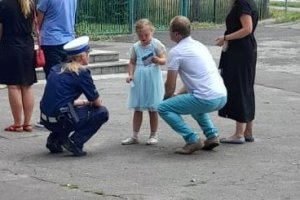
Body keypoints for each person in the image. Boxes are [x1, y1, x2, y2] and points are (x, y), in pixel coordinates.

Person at [158, 16, 227, 154]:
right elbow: (197, 81)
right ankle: (212, 136)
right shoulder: (199, 45)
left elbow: (170, 84)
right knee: (193, 102)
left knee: (163, 108)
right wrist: (178, 96)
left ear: (176, 33)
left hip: (205, 98)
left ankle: (192, 139)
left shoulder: (176, 52)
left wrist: (167, 98)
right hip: (222, 96)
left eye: (169, 30)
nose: (169, 32)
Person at [40, 36, 109, 156]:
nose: (88, 55)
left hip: (46, 119)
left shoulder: (56, 68)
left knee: (69, 109)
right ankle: (75, 142)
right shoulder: (81, 73)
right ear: (82, 56)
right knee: (102, 112)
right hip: (60, 120)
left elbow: (60, 99)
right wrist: (91, 102)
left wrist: (84, 103)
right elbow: (97, 103)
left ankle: (55, 139)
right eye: (88, 53)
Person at [215, 0, 258, 144]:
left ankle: (239, 133)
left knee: (239, 87)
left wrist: (226, 37)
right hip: (246, 49)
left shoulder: (242, 4)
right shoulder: (249, 2)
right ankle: (248, 131)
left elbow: (247, 28)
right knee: (246, 87)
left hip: (240, 51)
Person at [121, 18, 166, 145]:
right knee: (138, 108)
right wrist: (130, 75)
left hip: (152, 78)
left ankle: (154, 135)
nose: (144, 37)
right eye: (141, 36)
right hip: (139, 78)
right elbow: (132, 62)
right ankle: (134, 136)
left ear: (151, 31)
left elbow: (164, 59)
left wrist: (158, 60)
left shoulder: (156, 44)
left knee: (153, 108)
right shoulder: (135, 47)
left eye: (146, 35)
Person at [0, 0, 37, 132]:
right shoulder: (31, 4)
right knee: (27, 85)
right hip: (27, 45)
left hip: (10, 45)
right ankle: (27, 123)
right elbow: (33, 26)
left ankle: (17, 123)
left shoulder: (4, 4)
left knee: (13, 85)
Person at [36, 0, 77, 78]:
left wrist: (35, 32)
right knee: (68, 75)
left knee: (53, 77)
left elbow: (38, 19)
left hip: (51, 40)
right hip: (69, 39)